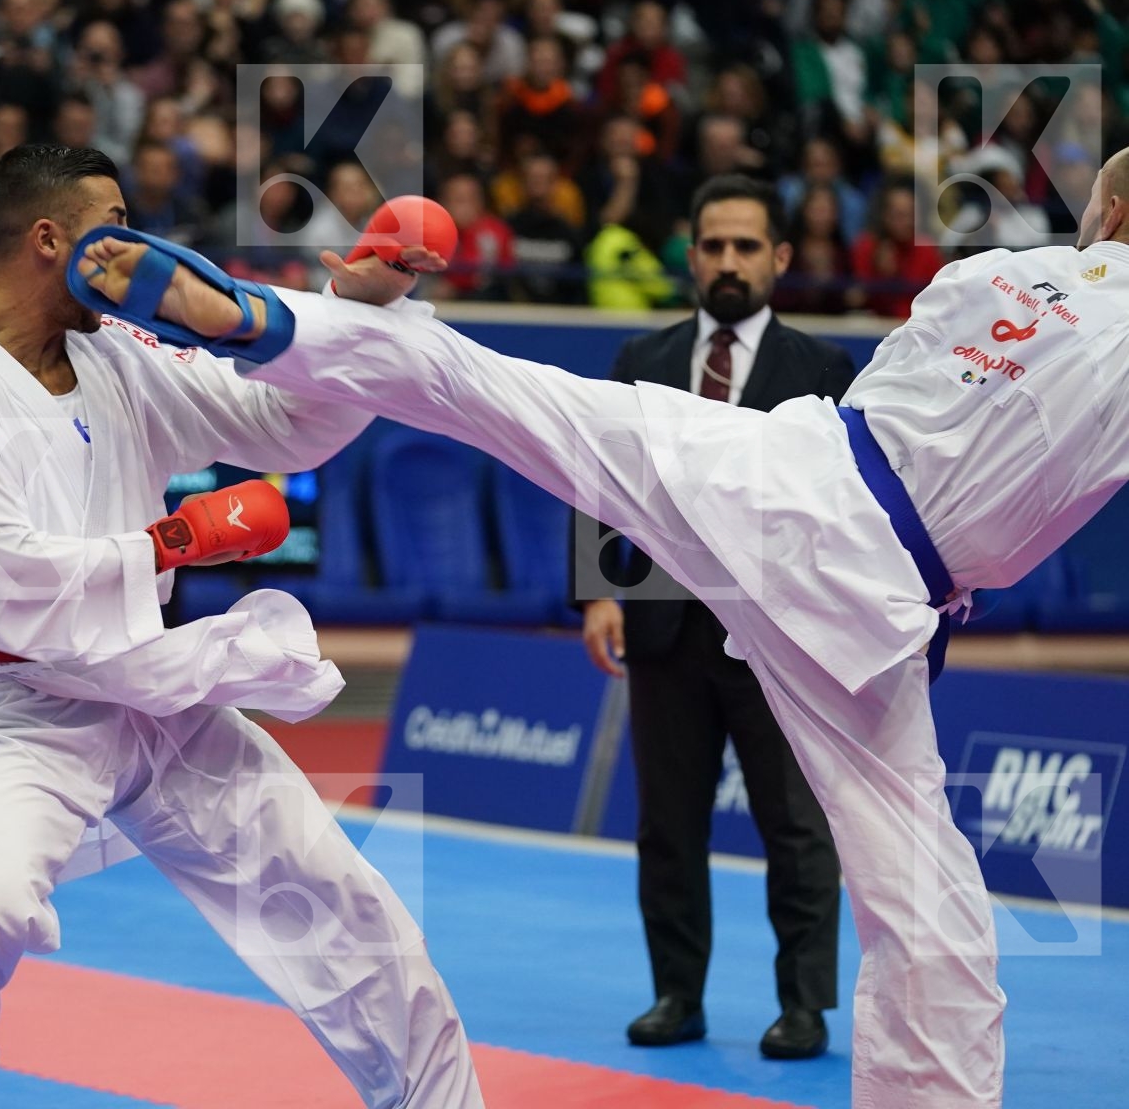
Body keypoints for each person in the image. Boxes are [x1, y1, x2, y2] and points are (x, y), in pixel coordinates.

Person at [76, 145, 1129, 1108]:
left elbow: (917, 397)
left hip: (782, 466)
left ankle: (269, 321)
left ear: (1109, 211)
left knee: (504, 395)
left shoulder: (989, 271)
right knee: (926, 913)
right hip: (867, 592)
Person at [0, 144, 483, 1109]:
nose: (132, 251)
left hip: (164, 697)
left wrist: (355, 314)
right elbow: (7, 580)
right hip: (33, 706)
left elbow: (281, 425)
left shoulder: (119, 348)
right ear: (49, 237)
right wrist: (175, 539)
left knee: (350, 913)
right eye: (113, 225)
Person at [572, 176, 850, 1058]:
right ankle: (676, 995)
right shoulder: (639, 360)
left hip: (780, 637)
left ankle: (804, 1005)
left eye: (745, 247)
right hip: (661, 626)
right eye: (714, 247)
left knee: (797, 828)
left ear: (779, 258)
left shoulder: (821, 371)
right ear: (691, 259)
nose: (728, 263)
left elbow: (842, 508)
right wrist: (595, 593)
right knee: (668, 826)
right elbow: (596, 480)